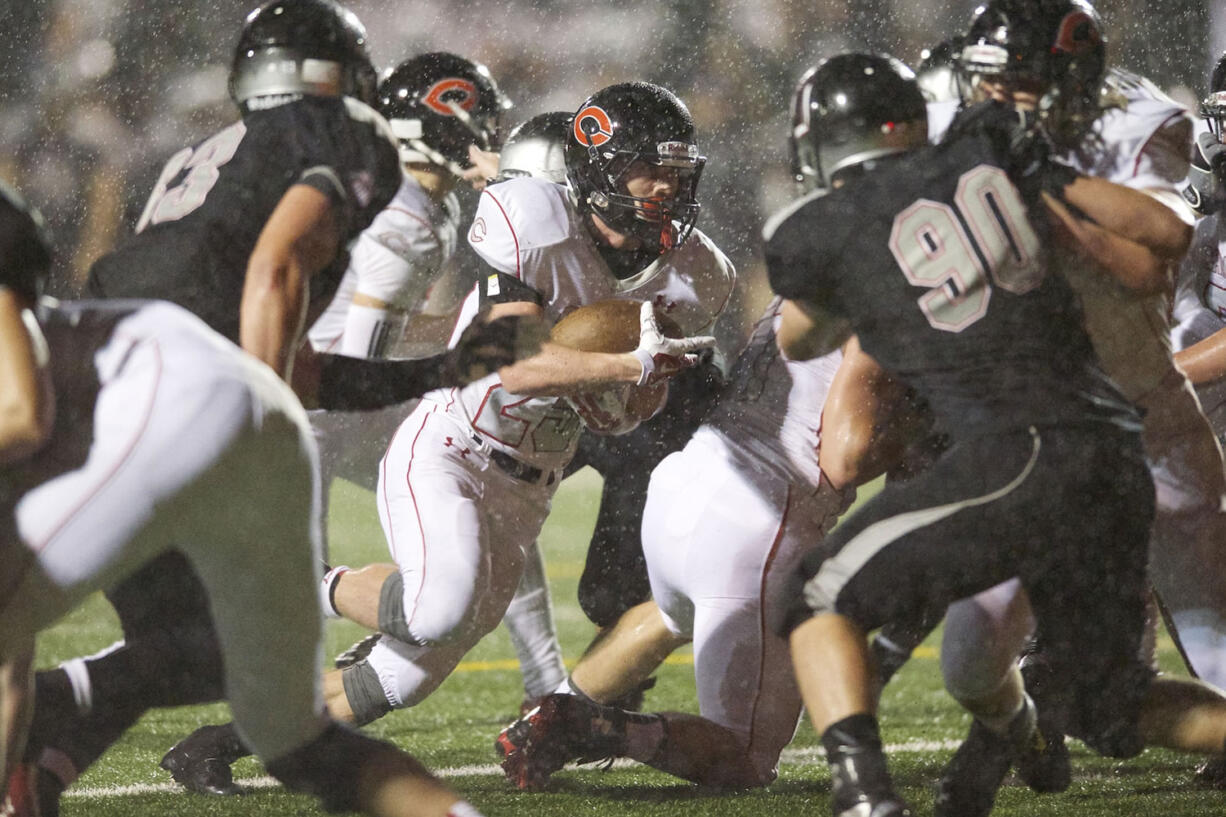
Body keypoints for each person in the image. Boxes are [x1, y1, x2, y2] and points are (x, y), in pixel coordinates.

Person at [10, 2, 533, 811]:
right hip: (175, 378)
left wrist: (441, 370)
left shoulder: (214, 153)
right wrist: (261, 409)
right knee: (284, 719)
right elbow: (279, 266)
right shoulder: (342, 136)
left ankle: (41, 757)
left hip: (96, 365)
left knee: (194, 651)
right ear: (341, 76)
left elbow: (311, 366)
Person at [156, 81, 735, 787]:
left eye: (679, 174)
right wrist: (624, 362)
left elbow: (632, 408)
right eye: (651, 170)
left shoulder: (699, 271)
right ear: (599, 166)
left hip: (533, 482)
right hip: (455, 448)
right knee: (437, 606)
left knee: (401, 679)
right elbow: (514, 365)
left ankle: (217, 744)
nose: (667, 189)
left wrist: (626, 398)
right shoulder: (533, 221)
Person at [764, 36, 1215, 816]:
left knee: (818, 597)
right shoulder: (998, 165)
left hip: (1021, 448)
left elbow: (796, 338)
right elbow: (1160, 249)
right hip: (1116, 449)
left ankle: (867, 801)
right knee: (1103, 698)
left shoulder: (822, 224)